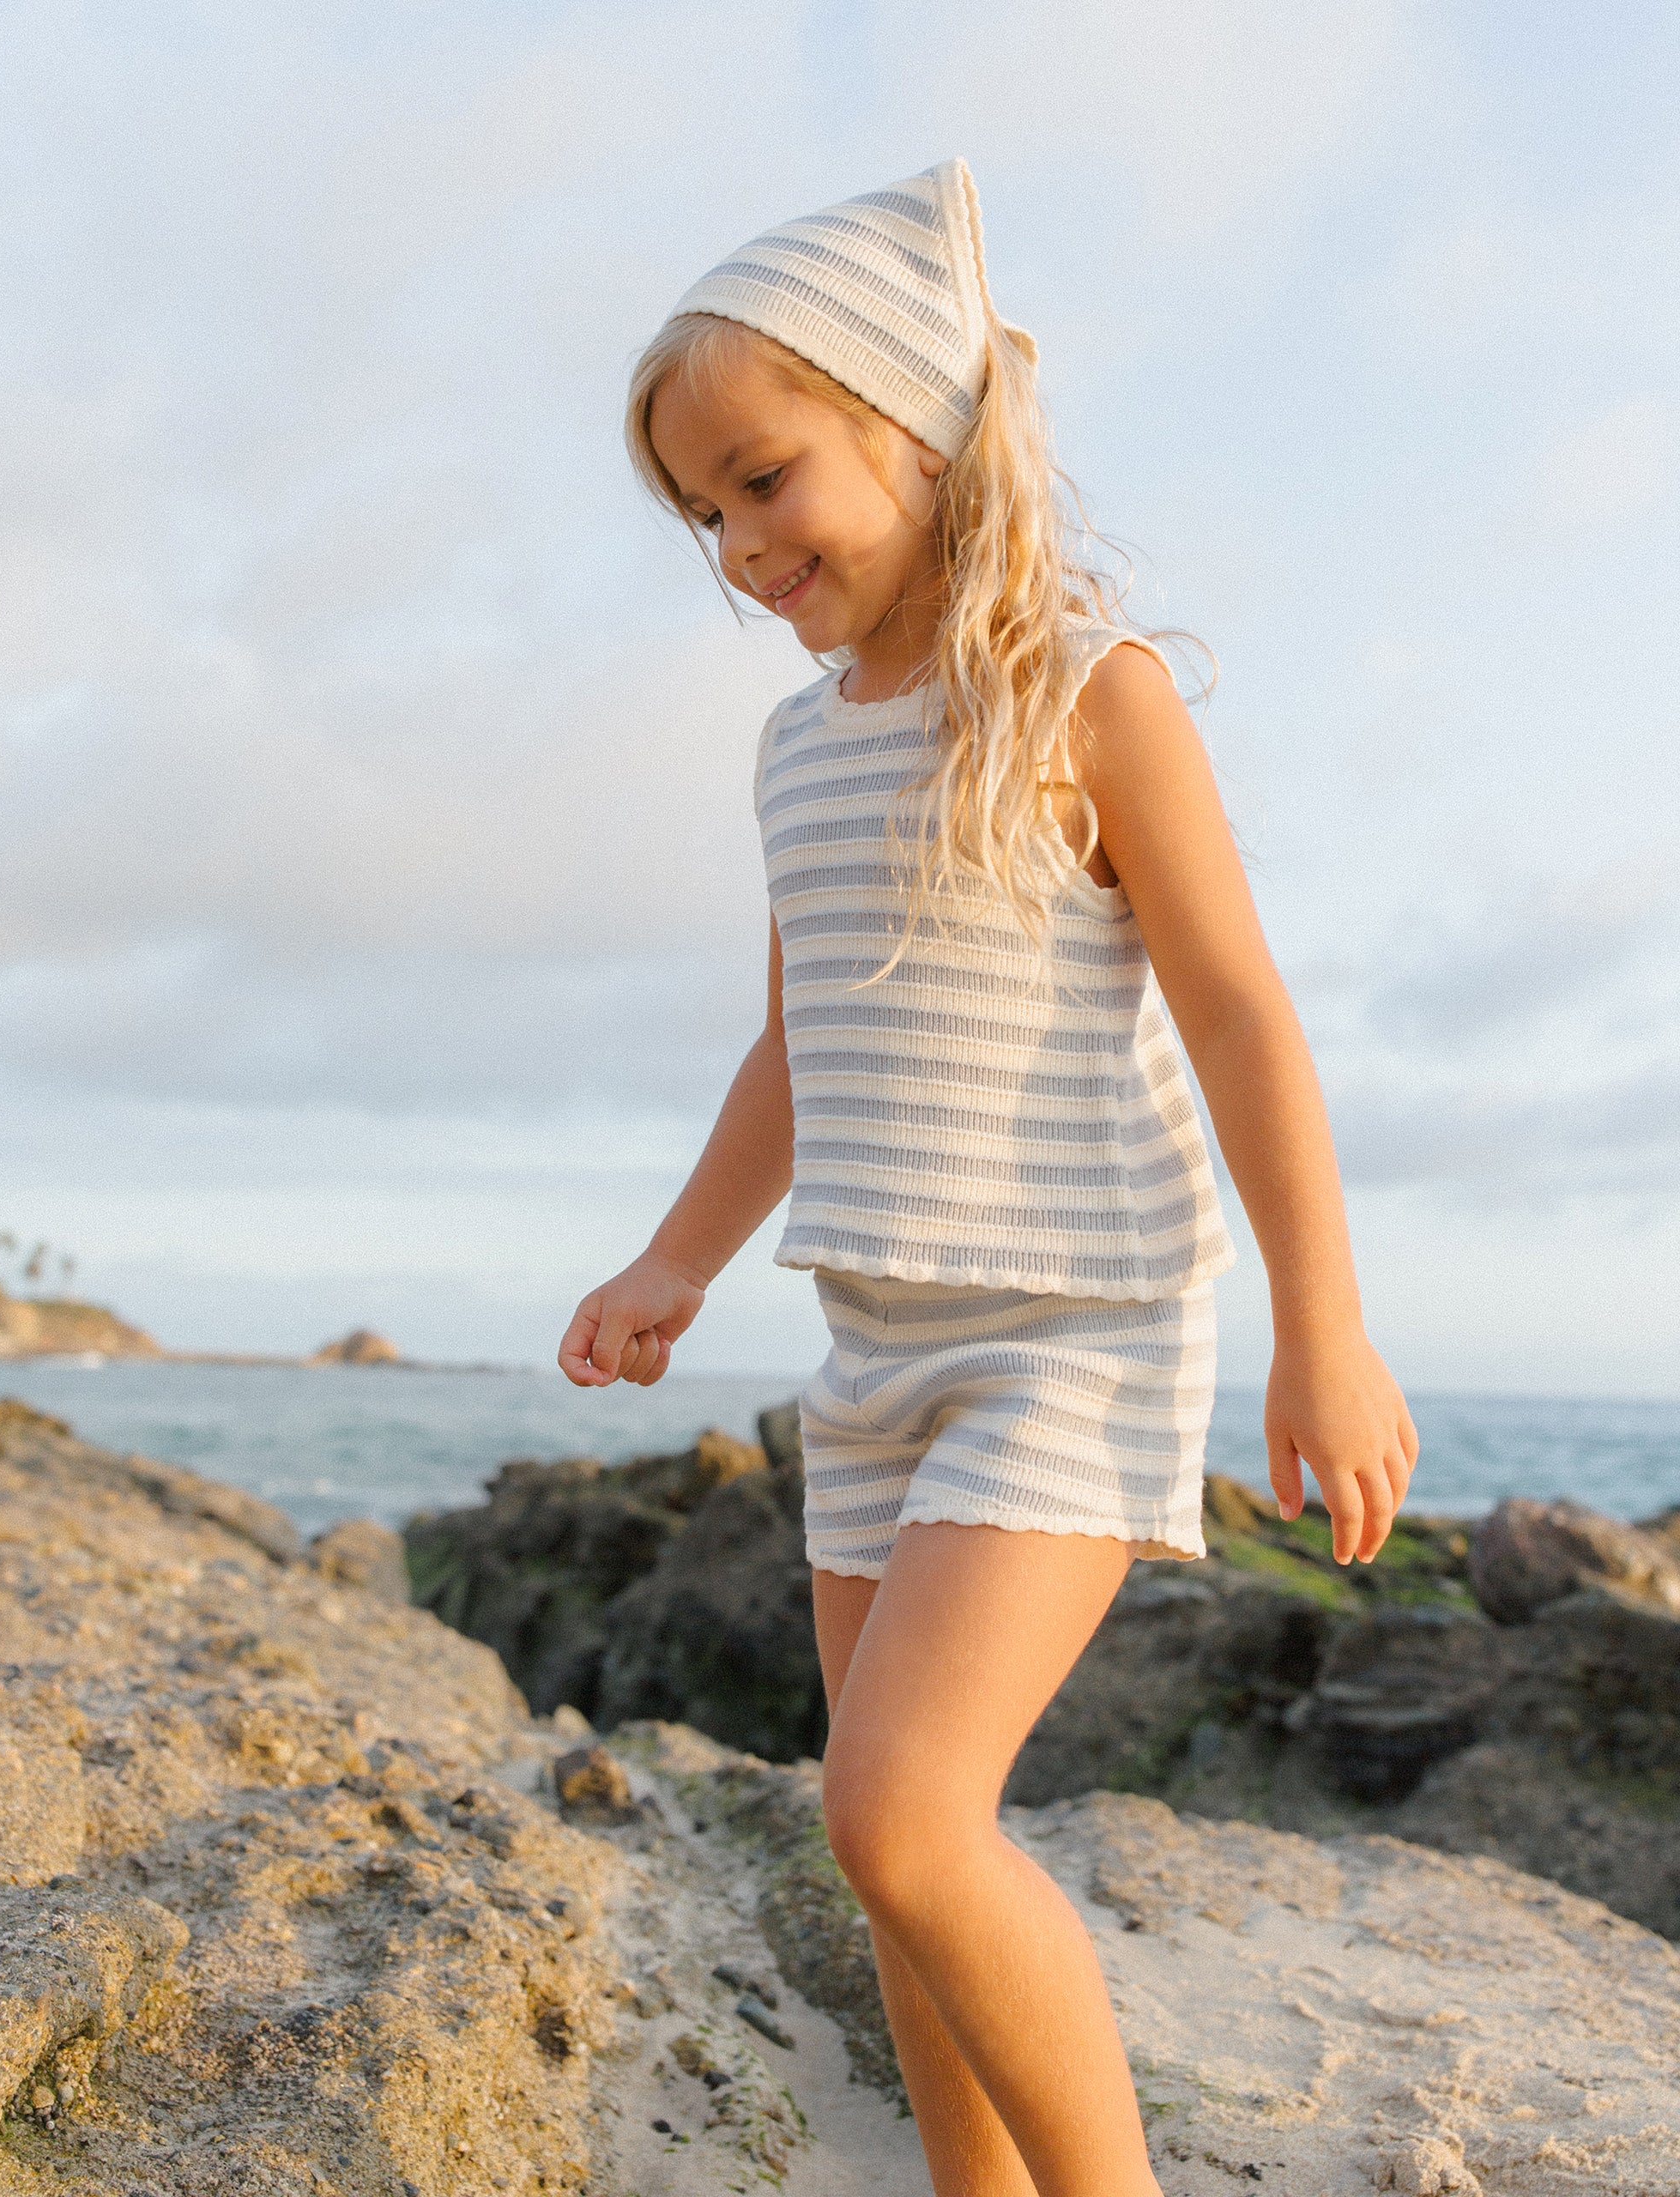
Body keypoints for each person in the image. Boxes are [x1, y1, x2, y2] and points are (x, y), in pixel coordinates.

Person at [559, 158, 1417, 2197]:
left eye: (766, 477)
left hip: (1080, 1327)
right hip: (877, 1354)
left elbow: (1237, 1011)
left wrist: (1328, 1329)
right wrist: (678, 1254)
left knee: (902, 1814)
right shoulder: (795, 750)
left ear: (914, 421)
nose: (741, 543)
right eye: (703, 513)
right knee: (896, 1867)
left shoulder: (1087, 694)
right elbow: (798, 1042)